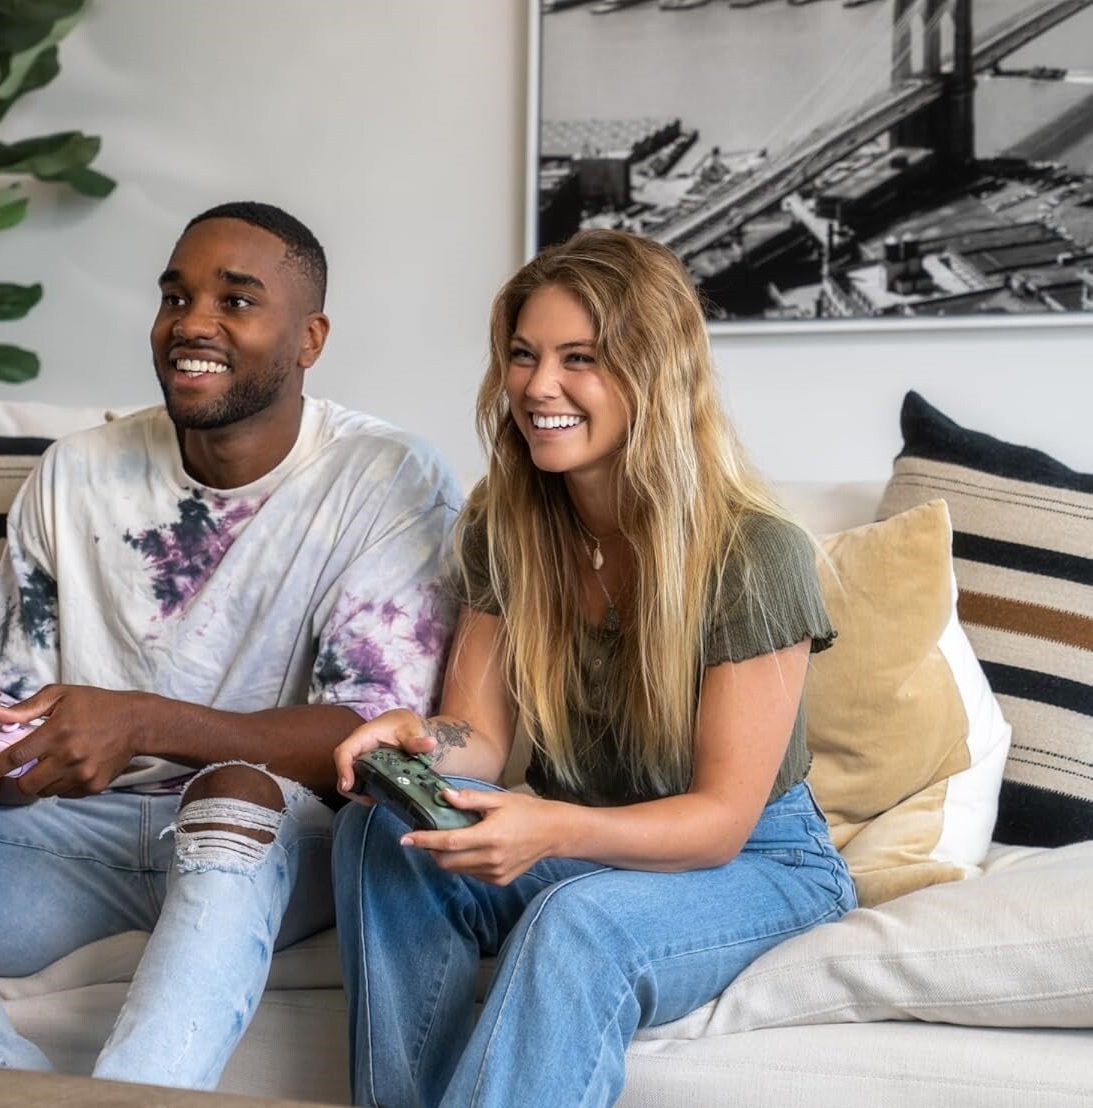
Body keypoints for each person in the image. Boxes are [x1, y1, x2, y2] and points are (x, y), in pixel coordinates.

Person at [0, 201, 460, 1091]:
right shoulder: (74, 472)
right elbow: (11, 735)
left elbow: (373, 744)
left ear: (309, 337)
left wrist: (141, 724)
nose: (191, 323)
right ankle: (8, 1092)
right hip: (76, 843)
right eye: (175, 296)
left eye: (236, 301)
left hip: (273, 842)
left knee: (233, 792)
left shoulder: (387, 478)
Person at [330, 229, 857, 1108]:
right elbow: (483, 738)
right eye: (523, 356)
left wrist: (553, 827)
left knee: (577, 922)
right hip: (594, 835)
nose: (539, 388)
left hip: (756, 862)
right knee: (379, 835)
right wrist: (422, 741)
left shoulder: (754, 555)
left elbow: (722, 822)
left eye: (581, 358)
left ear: (655, 374)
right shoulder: (510, 527)